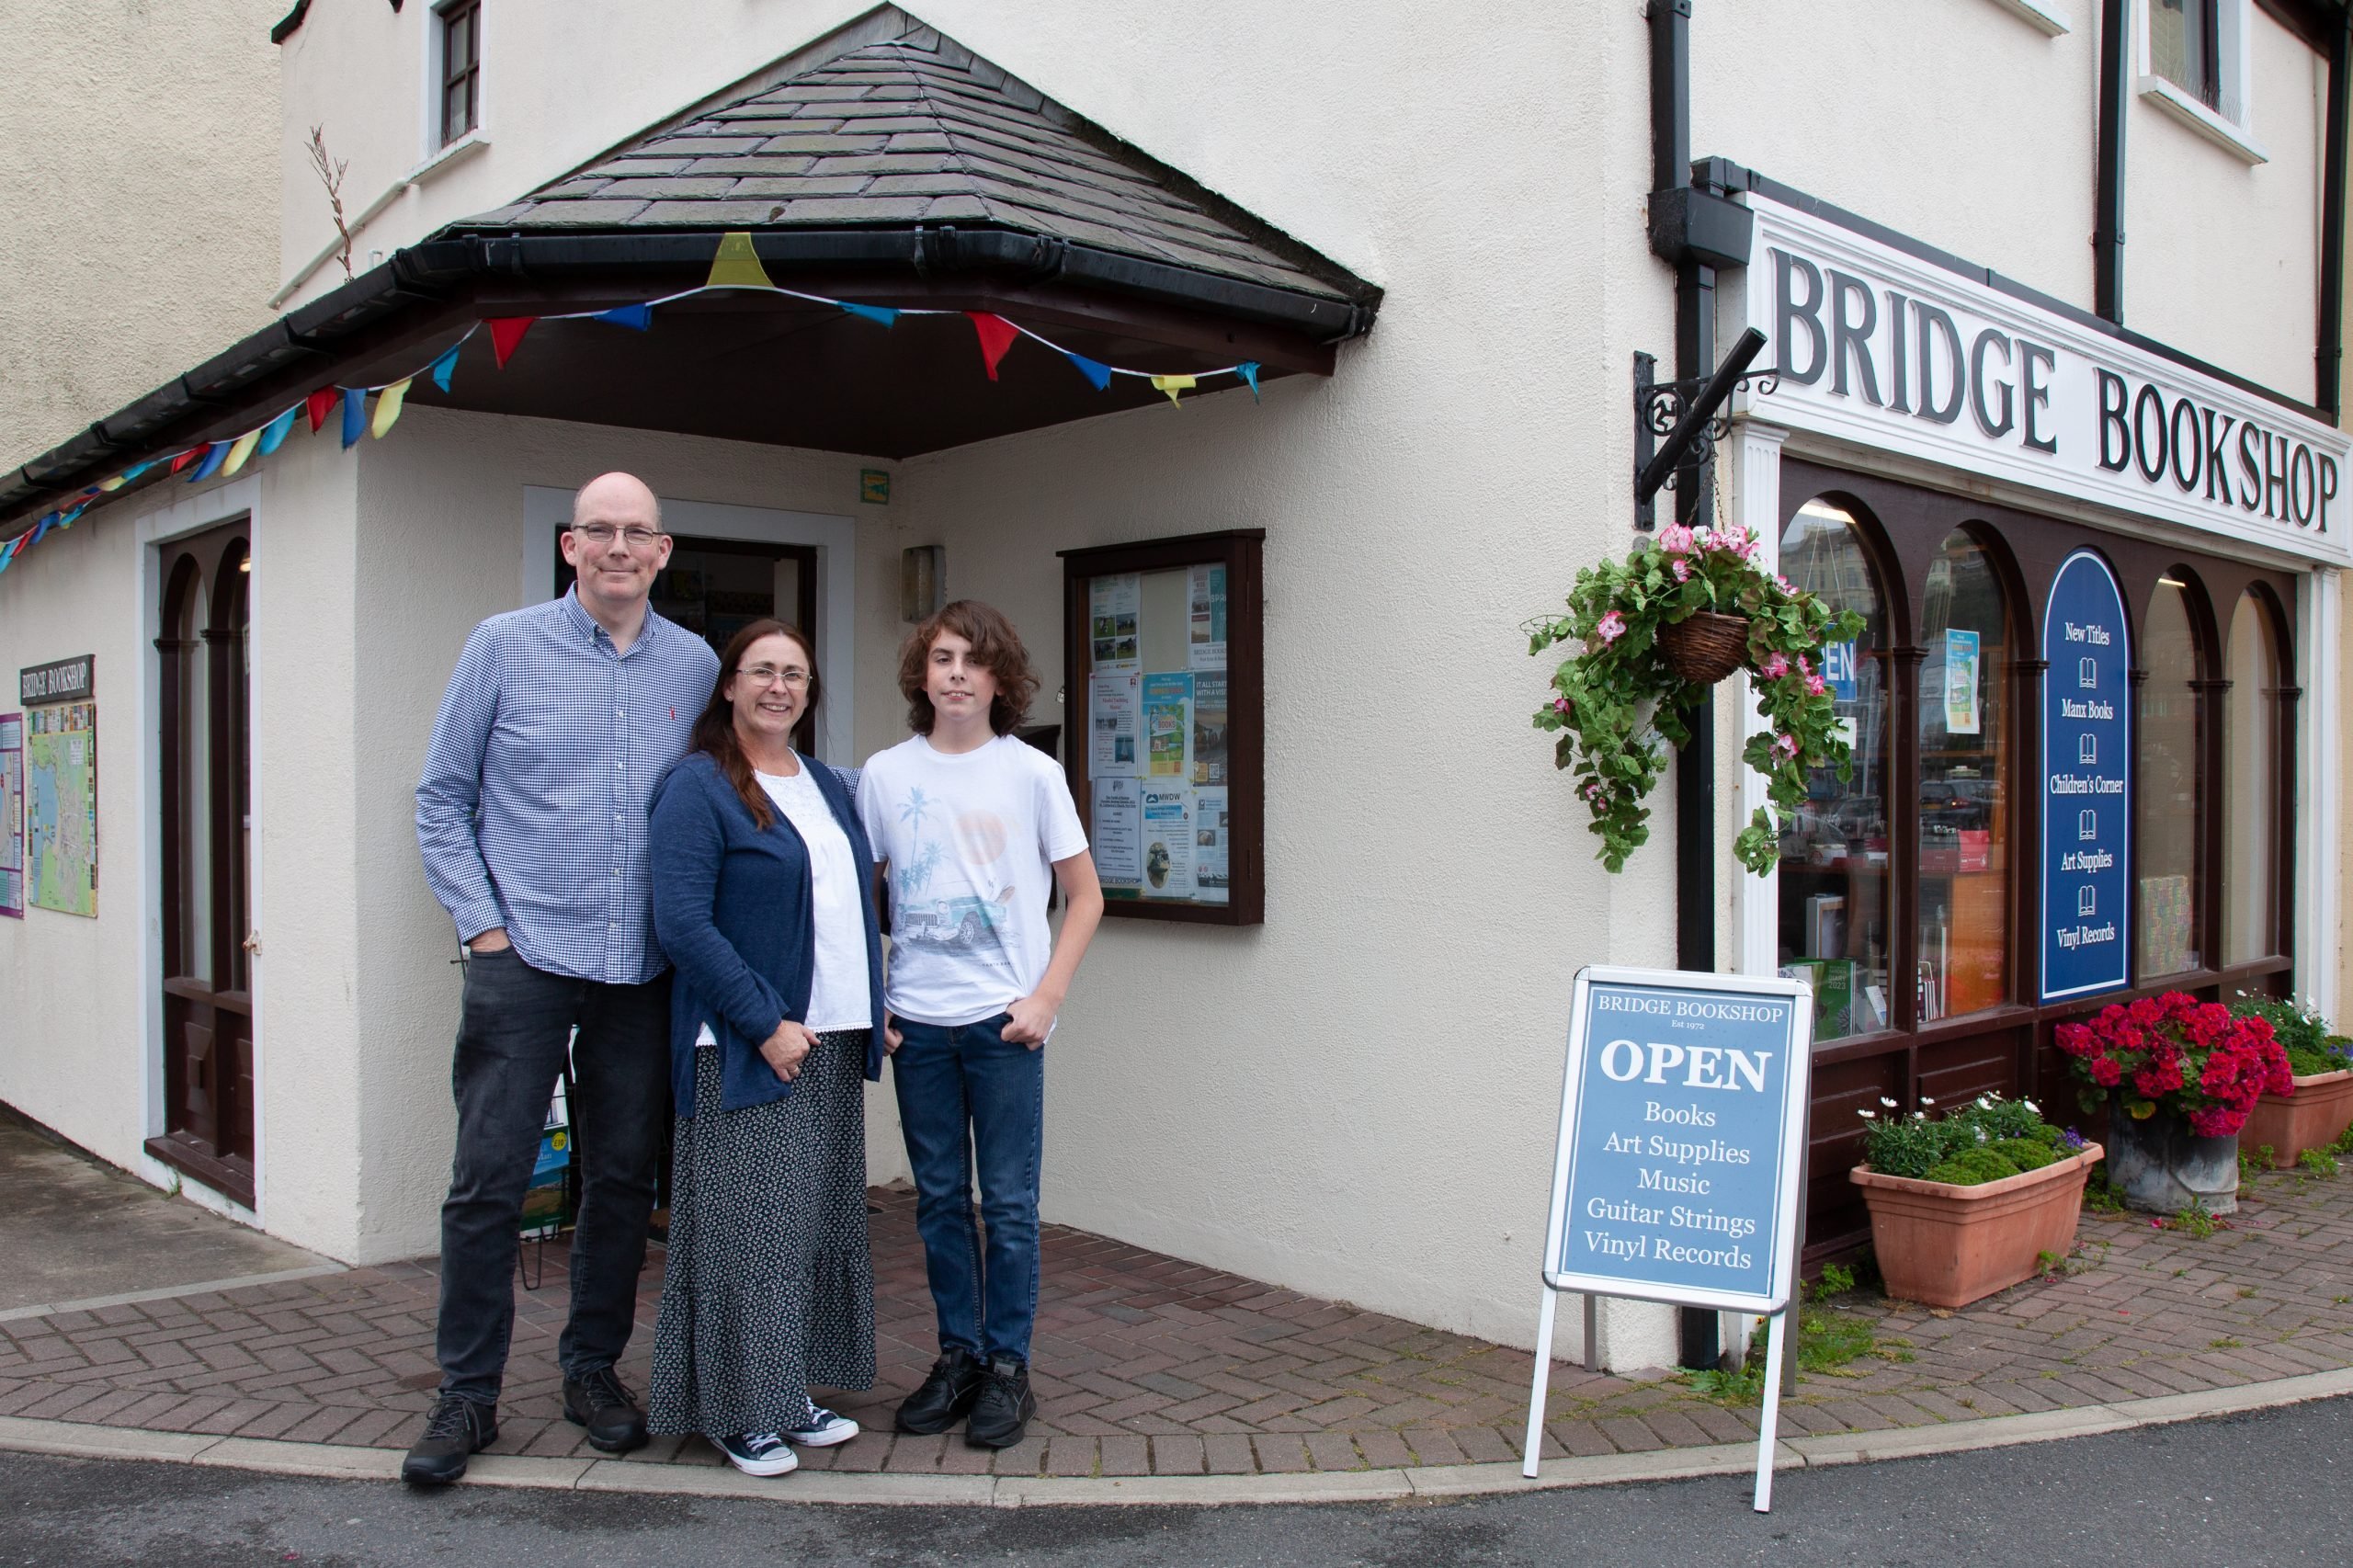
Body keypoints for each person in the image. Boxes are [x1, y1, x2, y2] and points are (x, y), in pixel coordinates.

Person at [407, 473, 718, 1486]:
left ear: (661, 551)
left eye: (637, 532)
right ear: (568, 543)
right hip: (526, 956)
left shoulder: (695, 661)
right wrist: (484, 928)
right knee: (487, 1182)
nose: (618, 546)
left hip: (641, 967)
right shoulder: (502, 643)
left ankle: (592, 1369)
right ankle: (468, 1394)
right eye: (600, 530)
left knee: (623, 1179)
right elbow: (441, 798)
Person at [857, 600, 1104, 1449]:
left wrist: (1046, 998)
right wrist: (872, 996)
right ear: (922, 676)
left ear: (1001, 678)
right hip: (917, 1027)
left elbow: (1085, 896)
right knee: (937, 1203)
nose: (956, 673)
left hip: (1003, 1029)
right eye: (942, 659)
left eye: (973, 659)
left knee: (1006, 1203)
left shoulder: (1030, 774)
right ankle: (956, 1357)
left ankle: (1007, 1368)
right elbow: (861, 897)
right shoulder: (885, 775)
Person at [645, 619, 887, 1477]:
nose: (779, 686)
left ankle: (786, 1391)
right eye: (762, 672)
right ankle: (735, 1409)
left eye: (795, 674)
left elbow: (846, 904)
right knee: (750, 1231)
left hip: (829, 1035)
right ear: (729, 686)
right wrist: (763, 1023)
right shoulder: (697, 785)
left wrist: (875, 1007)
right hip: (748, 1044)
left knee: (810, 1225)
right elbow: (682, 924)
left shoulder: (824, 783)